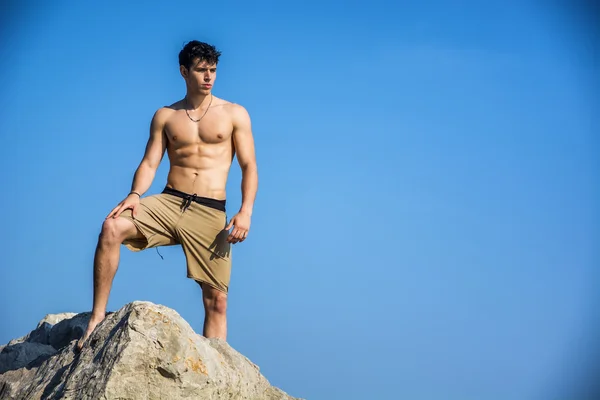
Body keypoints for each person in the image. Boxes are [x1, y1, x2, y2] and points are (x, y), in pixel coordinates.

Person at [77, 40, 258, 350]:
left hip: (210, 211)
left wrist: (246, 211)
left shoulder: (234, 113)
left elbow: (249, 165)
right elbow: (150, 162)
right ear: (183, 71)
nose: (208, 77)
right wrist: (135, 193)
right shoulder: (166, 115)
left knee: (216, 301)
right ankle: (96, 316)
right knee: (112, 226)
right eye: (201, 70)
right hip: (170, 201)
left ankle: (212, 374)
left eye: (213, 70)